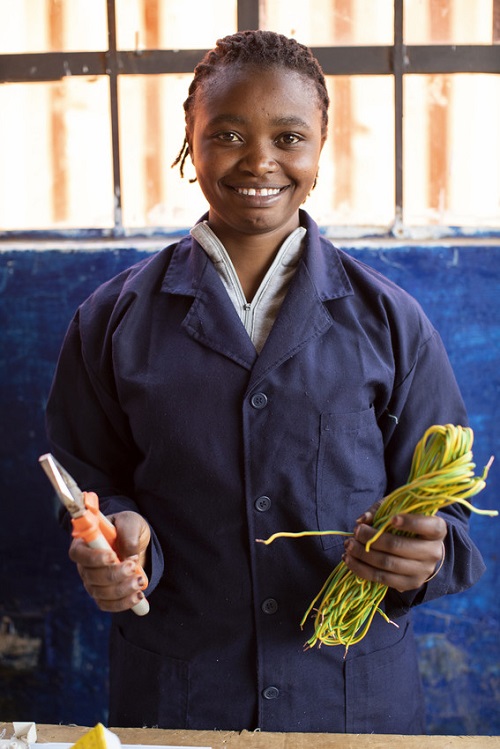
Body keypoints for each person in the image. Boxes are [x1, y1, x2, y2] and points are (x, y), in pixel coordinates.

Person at [45, 30, 485, 734]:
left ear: (321, 147)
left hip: (353, 706)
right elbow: (88, 486)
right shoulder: (111, 320)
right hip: (180, 701)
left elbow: (458, 529)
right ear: (190, 142)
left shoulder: (391, 321)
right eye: (226, 132)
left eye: (288, 136)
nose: (259, 160)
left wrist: (424, 554)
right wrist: (118, 533)